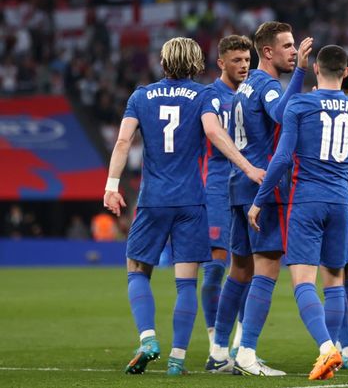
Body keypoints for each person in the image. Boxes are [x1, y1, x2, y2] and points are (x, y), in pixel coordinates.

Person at [103, 37, 264, 376]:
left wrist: (112, 186)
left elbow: (122, 142)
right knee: (186, 283)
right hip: (192, 200)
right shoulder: (204, 95)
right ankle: (177, 359)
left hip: (153, 200)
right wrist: (248, 167)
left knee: (136, 270)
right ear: (195, 64)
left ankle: (148, 339)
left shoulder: (140, 96)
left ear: (163, 63)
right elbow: (215, 134)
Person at [248, 45, 348, 381]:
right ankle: (337, 350)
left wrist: (259, 200)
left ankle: (325, 347)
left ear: (316, 69)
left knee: (303, 281)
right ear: (347, 72)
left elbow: (283, 158)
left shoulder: (301, 104)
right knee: (334, 279)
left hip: (306, 200)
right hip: (339, 200)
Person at [210, 21, 312, 376]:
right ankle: (248, 354)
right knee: (266, 270)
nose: (294, 51)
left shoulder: (245, 84)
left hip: (237, 185)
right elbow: (282, 113)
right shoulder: (267, 85)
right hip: (262, 188)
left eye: (295, 45)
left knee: (240, 270)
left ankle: (220, 351)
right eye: (287, 46)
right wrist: (300, 74)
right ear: (267, 52)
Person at [200, 34, 253, 371]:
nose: (244, 66)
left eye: (247, 60)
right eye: (237, 60)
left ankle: (240, 346)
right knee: (217, 267)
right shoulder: (211, 95)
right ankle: (215, 347)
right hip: (219, 187)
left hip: (250, 188)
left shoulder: (254, 94)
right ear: (221, 62)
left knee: (249, 267)